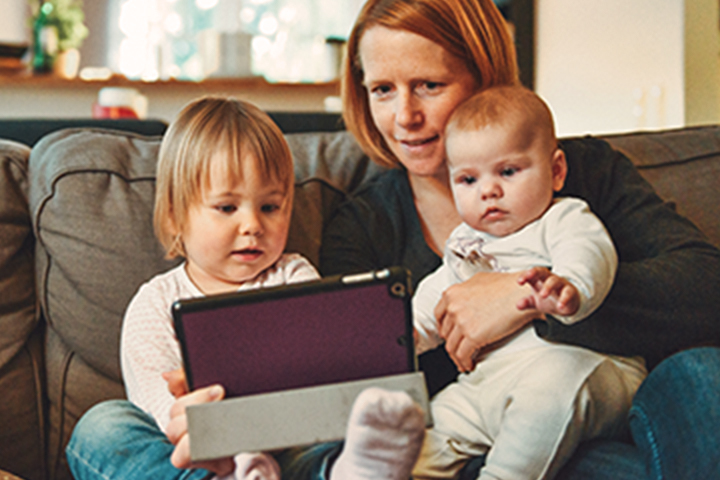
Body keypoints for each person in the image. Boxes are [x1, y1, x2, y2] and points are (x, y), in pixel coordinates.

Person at [320, 0, 720, 478]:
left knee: (700, 372)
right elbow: (361, 373)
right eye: (383, 90)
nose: (405, 115)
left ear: (483, 76)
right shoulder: (363, 225)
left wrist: (524, 295)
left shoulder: (583, 173)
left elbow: (705, 284)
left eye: (429, 85)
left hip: (613, 407)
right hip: (477, 441)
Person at [66, 96, 426, 480]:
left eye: (269, 207)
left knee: (332, 436)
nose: (252, 225)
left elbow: (316, 378)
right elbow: (161, 412)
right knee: (102, 426)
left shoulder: (294, 277)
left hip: (286, 445)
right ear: (174, 216)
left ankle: (349, 473)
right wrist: (211, 430)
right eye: (226, 208)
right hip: (198, 455)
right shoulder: (154, 303)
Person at [410, 85, 646, 480]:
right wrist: (407, 334)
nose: (489, 191)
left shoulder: (562, 218)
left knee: (548, 393)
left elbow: (589, 252)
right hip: (488, 384)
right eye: (468, 180)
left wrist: (570, 287)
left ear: (556, 171)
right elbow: (441, 295)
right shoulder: (465, 243)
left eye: (507, 172)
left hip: (581, 368)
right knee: (425, 432)